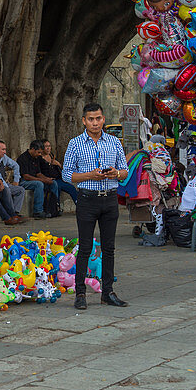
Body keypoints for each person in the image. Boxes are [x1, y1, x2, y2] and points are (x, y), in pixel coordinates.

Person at [62, 102, 129, 310]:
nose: (95, 123)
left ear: (103, 119)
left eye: (98, 118)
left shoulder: (114, 142)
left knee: (109, 248)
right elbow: (66, 174)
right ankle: (80, 293)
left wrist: (114, 174)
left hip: (109, 198)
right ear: (84, 121)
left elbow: (125, 171)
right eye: (91, 119)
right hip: (87, 199)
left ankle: (107, 292)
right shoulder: (75, 144)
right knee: (85, 247)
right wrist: (90, 175)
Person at [18, 141, 60, 219]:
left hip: (35, 179)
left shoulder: (36, 158)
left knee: (53, 183)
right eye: (38, 152)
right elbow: (26, 176)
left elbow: (38, 173)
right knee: (39, 184)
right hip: (23, 181)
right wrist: (42, 180)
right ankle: (38, 211)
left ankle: (53, 208)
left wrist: (46, 179)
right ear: (33, 149)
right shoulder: (23, 158)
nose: (40, 154)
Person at [41, 139, 76, 211]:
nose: (48, 148)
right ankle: (56, 208)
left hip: (59, 179)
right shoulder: (40, 158)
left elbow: (62, 169)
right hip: (49, 180)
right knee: (57, 187)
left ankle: (80, 205)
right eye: (46, 146)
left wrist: (58, 164)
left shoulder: (52, 156)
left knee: (71, 188)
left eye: (49, 146)